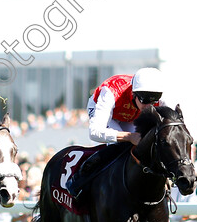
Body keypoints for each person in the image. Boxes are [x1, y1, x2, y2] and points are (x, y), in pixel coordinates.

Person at [66, 67, 168, 199]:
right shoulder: (111, 91)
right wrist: (129, 137)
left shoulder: (160, 97)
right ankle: (79, 181)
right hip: (105, 112)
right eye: (145, 100)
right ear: (134, 94)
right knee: (119, 145)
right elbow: (94, 132)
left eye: (154, 99)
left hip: (131, 116)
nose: (149, 105)